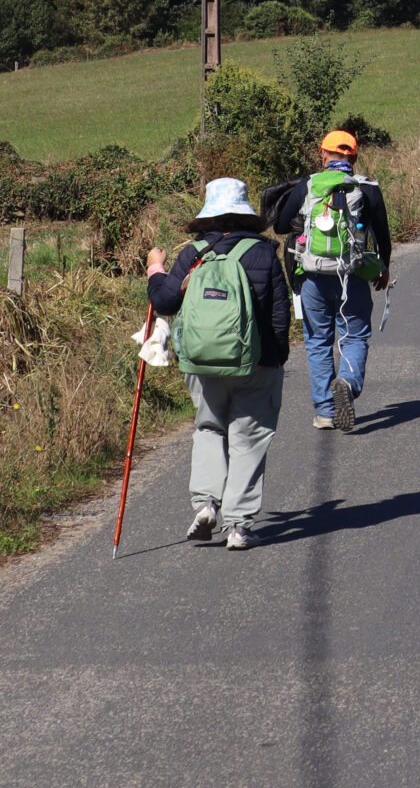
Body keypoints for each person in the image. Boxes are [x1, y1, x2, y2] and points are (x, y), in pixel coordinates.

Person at [146, 176, 292, 551]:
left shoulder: (194, 252)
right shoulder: (263, 254)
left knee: (209, 429)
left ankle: (206, 503)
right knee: (249, 439)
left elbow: (164, 302)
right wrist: (273, 361)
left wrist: (154, 268)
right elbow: (279, 314)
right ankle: (239, 526)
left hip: (202, 364)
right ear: (245, 213)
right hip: (255, 364)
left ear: (208, 215)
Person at [263, 132, 392, 434]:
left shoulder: (308, 185)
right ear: (354, 158)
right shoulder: (367, 188)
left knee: (318, 341)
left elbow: (281, 226)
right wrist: (383, 268)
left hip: (312, 277)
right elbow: (382, 235)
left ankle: (324, 412)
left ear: (322, 154)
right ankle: (347, 381)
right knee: (355, 336)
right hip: (354, 276)